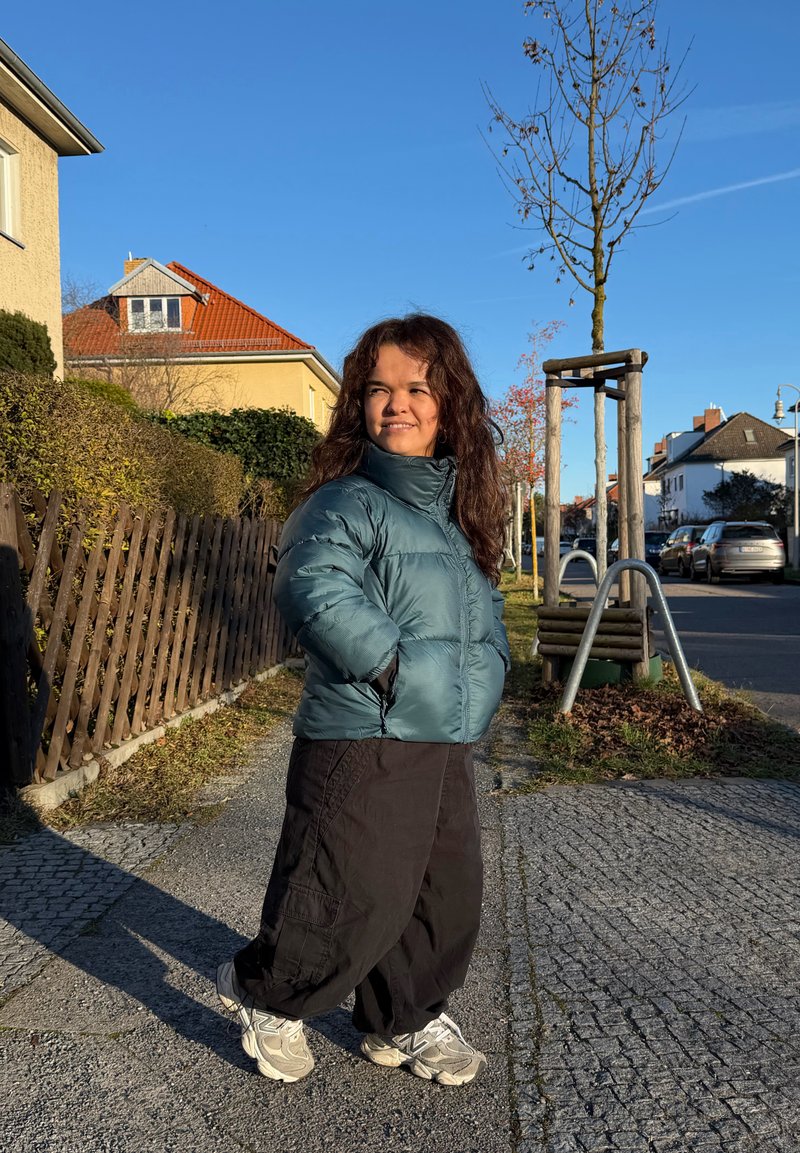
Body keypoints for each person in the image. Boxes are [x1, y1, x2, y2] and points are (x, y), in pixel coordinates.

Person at [217, 313, 509, 1086]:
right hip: (365, 729)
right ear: (358, 404)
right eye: (378, 389)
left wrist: (495, 668)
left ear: (450, 403)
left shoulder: (453, 518)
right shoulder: (345, 502)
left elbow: (485, 613)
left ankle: (402, 1017)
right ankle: (268, 995)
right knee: (348, 886)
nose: (397, 404)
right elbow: (312, 586)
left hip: (441, 736)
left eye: (417, 387)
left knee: (442, 895)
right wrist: (394, 668)